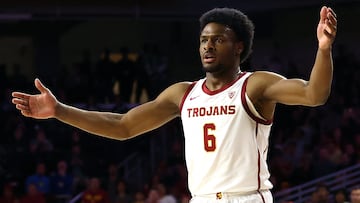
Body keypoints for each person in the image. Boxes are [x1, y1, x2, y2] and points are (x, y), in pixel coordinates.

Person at [11, 5, 337, 203]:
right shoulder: (182, 92)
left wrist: (323, 49)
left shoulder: (256, 85)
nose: (208, 46)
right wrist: (59, 111)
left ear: (239, 46)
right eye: (203, 40)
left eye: (218, 39)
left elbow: (314, 95)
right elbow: (122, 127)